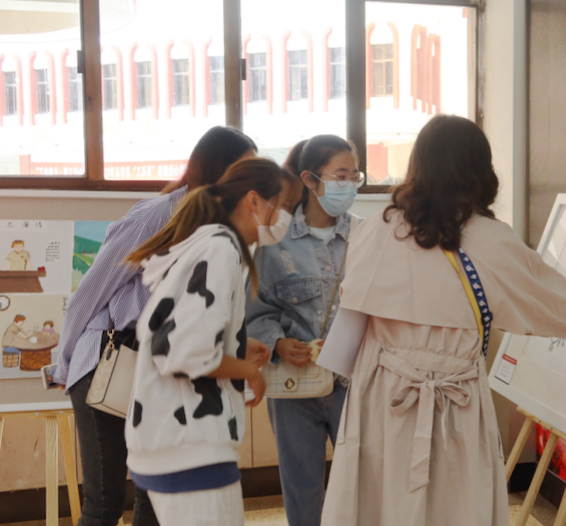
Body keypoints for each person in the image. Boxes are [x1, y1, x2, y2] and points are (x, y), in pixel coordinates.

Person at [318, 115, 566, 526]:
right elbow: (550, 300)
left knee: (380, 498)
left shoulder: (378, 228)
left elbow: (354, 313)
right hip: (455, 401)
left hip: (381, 395)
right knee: (453, 502)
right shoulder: (489, 238)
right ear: (479, 169)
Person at [52, 126, 264, 526]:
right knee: (104, 503)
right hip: (107, 367)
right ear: (215, 169)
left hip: (160, 373)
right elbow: (90, 294)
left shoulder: (222, 230)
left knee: (157, 501)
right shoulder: (157, 214)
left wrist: (238, 345)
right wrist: (64, 366)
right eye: (242, 170)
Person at [123, 157, 295, 526]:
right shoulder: (221, 248)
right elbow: (182, 351)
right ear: (253, 200)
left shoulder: (209, 243)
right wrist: (248, 371)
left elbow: (180, 332)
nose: (285, 218)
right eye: (281, 206)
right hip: (190, 442)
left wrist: (237, 345)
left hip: (174, 438)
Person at [245, 135, 364, 526]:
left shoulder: (367, 237)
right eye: (340, 176)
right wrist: (278, 342)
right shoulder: (274, 243)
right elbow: (257, 312)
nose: (349, 185)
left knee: (363, 487)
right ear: (310, 180)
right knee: (302, 490)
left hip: (356, 385)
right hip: (294, 386)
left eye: (355, 176)